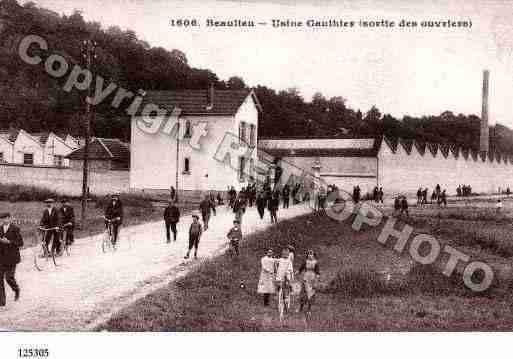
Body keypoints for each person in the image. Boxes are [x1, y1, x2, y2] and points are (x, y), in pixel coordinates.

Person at [0, 212, 23, 307]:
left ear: (9, 218)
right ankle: (2, 302)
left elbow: (20, 243)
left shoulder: (15, 228)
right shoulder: (0, 228)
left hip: (12, 257)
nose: (3, 220)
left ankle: (16, 289)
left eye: (5, 218)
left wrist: (9, 242)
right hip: (1, 257)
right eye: (1, 219)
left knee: (8, 277)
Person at [297, 250, 320, 314]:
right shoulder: (305, 261)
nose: (310, 256)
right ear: (307, 255)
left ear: (313, 255)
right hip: (306, 277)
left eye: (311, 254)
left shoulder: (316, 262)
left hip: (312, 278)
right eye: (309, 254)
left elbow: (317, 272)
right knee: (303, 293)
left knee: (310, 294)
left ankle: (309, 309)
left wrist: (316, 279)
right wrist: (298, 272)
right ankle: (300, 308)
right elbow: (301, 269)